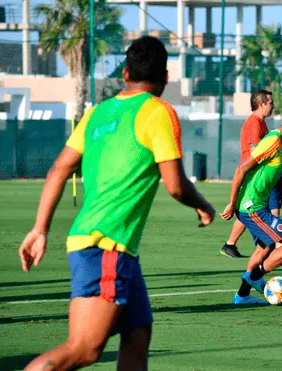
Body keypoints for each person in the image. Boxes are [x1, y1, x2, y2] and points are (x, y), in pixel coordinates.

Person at [17, 36, 215, 371]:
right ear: (165, 77)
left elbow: (58, 169)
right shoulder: (159, 112)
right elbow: (176, 186)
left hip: (100, 242)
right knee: (84, 348)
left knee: (137, 334)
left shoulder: (98, 112)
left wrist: (40, 229)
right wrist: (203, 205)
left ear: (124, 74)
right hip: (107, 243)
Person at [220, 100, 282, 304]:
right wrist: (231, 203)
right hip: (251, 207)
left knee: (264, 247)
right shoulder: (273, 141)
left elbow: (276, 173)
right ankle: (253, 278)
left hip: (257, 205)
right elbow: (241, 169)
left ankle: (242, 296)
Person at [220, 90, 282, 258]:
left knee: (249, 208)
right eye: (270, 102)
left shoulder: (261, 123)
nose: (273, 106)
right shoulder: (254, 123)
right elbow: (256, 151)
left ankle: (230, 244)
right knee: (270, 207)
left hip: (260, 174)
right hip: (255, 175)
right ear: (261, 104)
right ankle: (277, 244)